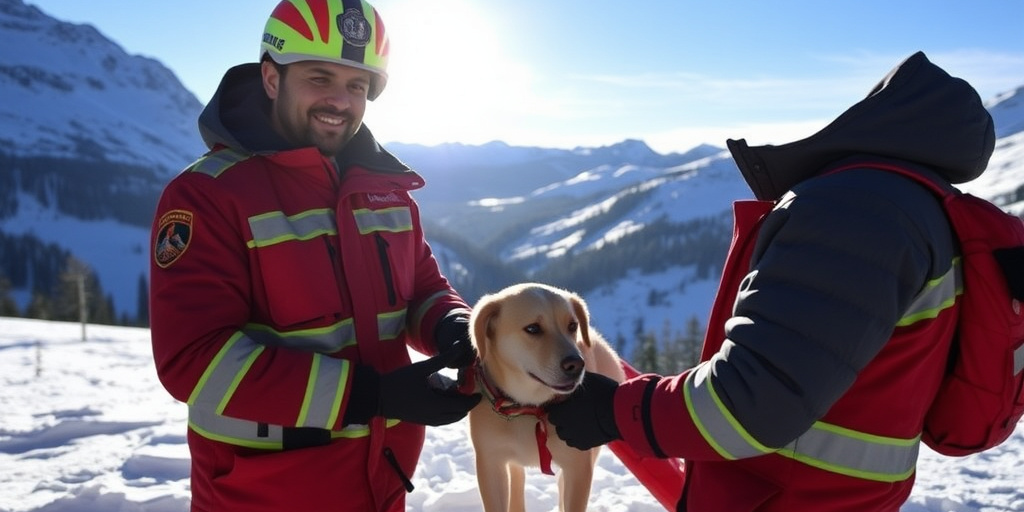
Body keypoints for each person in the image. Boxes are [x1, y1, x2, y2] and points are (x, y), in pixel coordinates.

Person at [546, 51, 995, 512]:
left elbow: (755, 398)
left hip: (783, 495)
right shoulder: (932, 215)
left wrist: (616, 411)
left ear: (882, 113)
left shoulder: (859, 211)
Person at [148, 1, 481, 511]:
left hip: (382, 484)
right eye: (319, 77)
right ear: (272, 78)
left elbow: (421, 288)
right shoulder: (207, 196)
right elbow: (195, 360)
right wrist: (372, 396)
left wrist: (454, 327)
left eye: (357, 85)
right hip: (262, 494)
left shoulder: (386, 192)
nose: (340, 100)